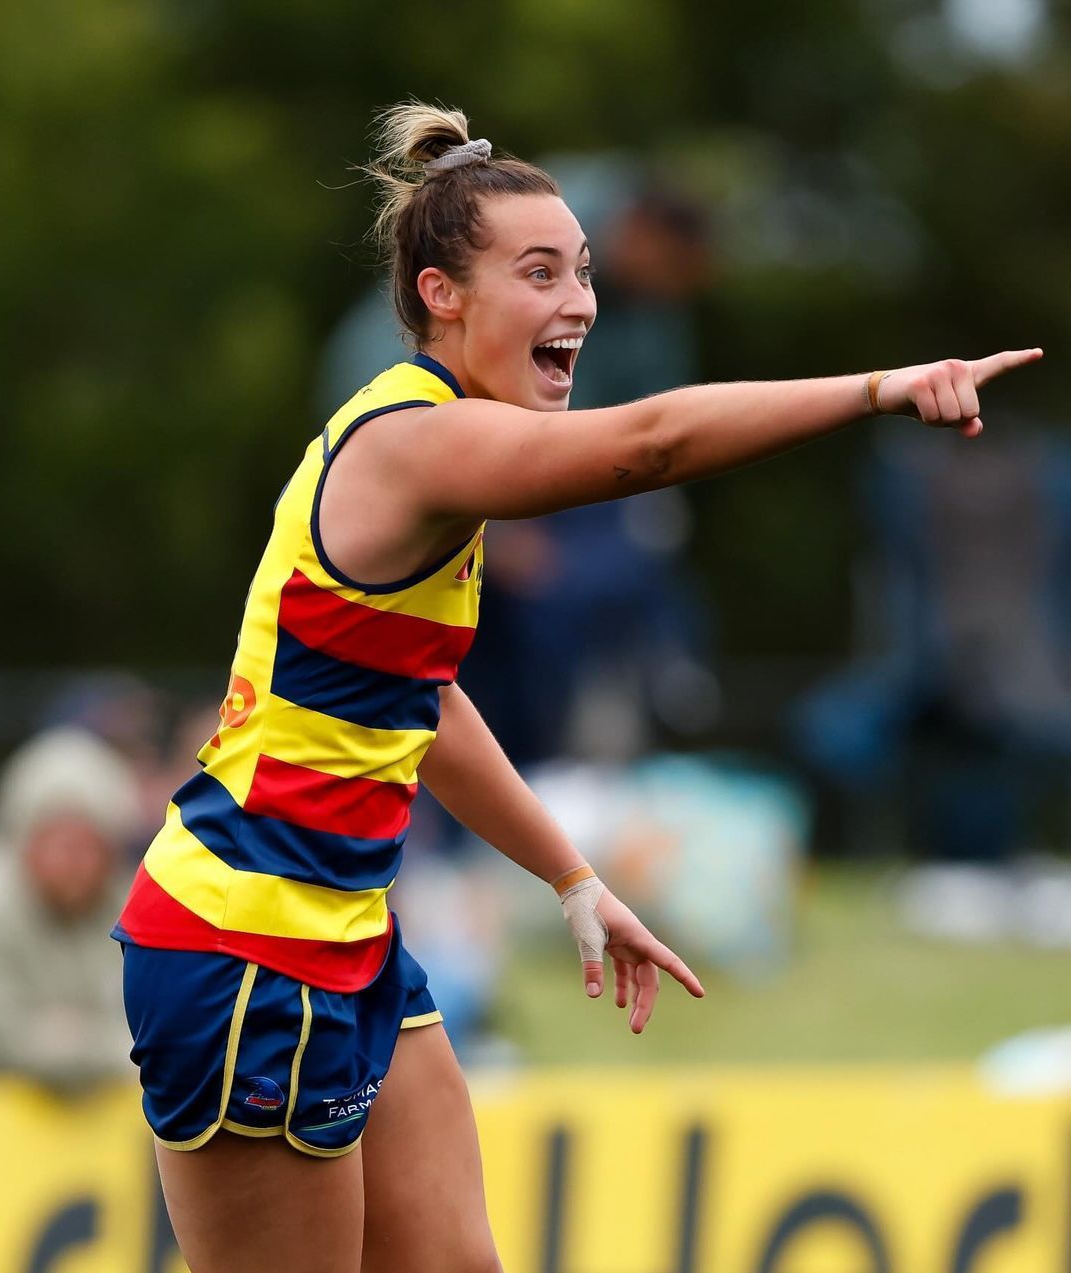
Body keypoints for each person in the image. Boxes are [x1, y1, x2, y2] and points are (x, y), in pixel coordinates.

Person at [112, 101, 1042, 1273]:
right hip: (246, 944)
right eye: (540, 273)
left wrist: (572, 876)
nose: (582, 302)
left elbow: (421, 699)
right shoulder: (417, 442)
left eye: (585, 270)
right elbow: (649, 445)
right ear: (443, 295)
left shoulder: (442, 442)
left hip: (346, 934)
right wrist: (877, 390)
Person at [0, 727, 139, 1092]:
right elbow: (4, 1032)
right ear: (23, 841)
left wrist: (70, 1037)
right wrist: (99, 1045)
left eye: (85, 844)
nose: (71, 862)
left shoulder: (133, 912)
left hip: (114, 1108)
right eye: (56, 842)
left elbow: (148, 1031)